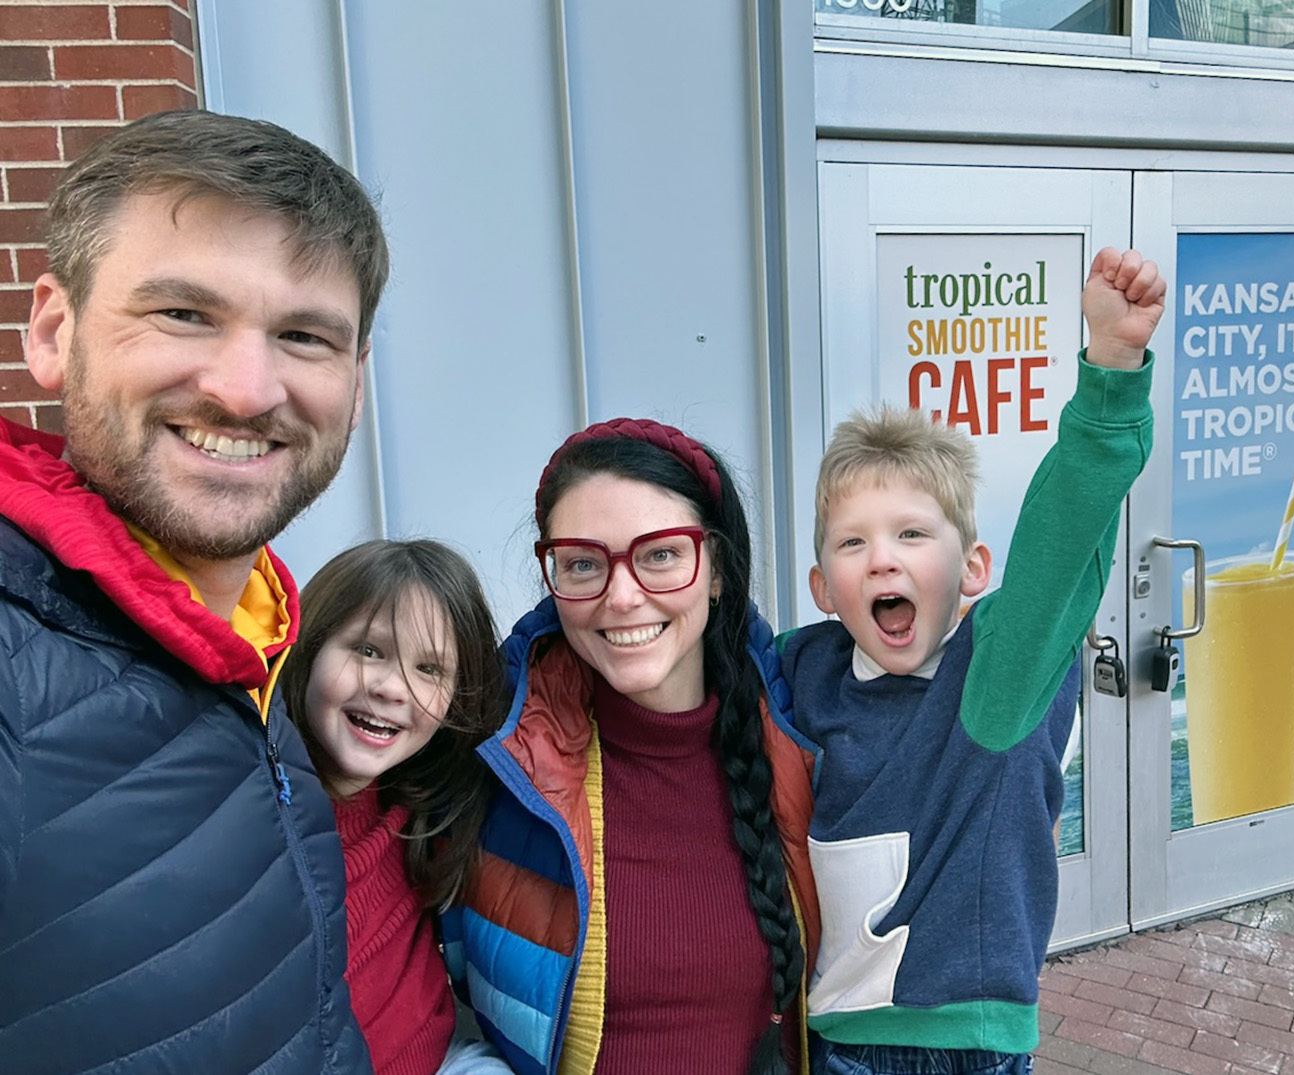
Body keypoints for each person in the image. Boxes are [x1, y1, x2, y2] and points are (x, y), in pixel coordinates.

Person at [0, 109, 388, 1073]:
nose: (248, 389)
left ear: (356, 379)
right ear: (54, 331)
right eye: (183, 313)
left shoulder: (256, 644)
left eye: (303, 335)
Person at [781, 247, 1164, 1075]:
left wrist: (1112, 366)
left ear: (974, 572)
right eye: (854, 542)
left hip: (957, 1052)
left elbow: (1061, 540)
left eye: (913, 534)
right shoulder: (797, 674)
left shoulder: (996, 685)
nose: (883, 558)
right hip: (828, 1043)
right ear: (822, 585)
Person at [440, 419, 821, 1074]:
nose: (621, 596)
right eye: (584, 563)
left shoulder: (806, 725)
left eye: (661, 555)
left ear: (718, 570)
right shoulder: (490, 754)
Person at [282, 539, 514, 1075]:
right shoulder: (248, 805)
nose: (392, 688)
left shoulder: (431, 810)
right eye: (368, 650)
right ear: (310, 647)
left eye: (430, 669)